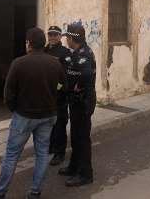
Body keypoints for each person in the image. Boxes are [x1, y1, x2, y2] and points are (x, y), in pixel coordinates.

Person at [0, 27, 67, 199]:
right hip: (48, 116)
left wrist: (15, 109)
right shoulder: (54, 63)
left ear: (28, 44)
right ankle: (35, 192)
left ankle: (0, 193)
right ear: (43, 42)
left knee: (11, 156)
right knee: (41, 155)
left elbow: (8, 94)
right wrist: (52, 98)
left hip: (24, 116)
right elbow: (63, 87)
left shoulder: (19, 63)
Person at [58, 23, 96, 187]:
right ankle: (74, 166)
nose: (66, 39)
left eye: (67, 37)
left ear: (71, 38)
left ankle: (85, 173)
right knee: (75, 135)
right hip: (76, 102)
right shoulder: (77, 52)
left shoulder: (83, 54)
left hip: (83, 101)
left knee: (81, 137)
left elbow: (87, 73)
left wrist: (78, 86)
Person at [44, 25, 72, 166]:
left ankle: (60, 152)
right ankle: (50, 146)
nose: (52, 38)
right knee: (48, 123)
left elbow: (65, 76)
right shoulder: (44, 51)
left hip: (58, 96)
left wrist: (57, 90)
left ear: (60, 37)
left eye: (55, 35)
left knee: (60, 124)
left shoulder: (64, 53)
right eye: (50, 35)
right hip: (45, 96)